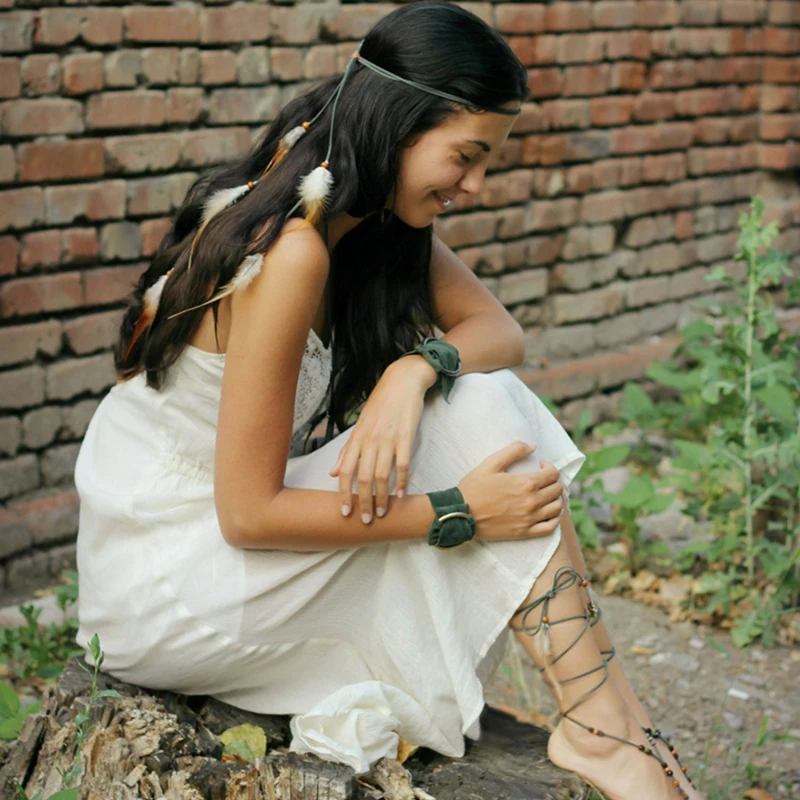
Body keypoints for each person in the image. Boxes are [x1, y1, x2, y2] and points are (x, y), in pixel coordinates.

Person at [74, 2, 701, 797]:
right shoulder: (292, 250)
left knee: (475, 396)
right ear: (399, 125)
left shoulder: (360, 215)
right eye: (466, 156)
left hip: (223, 546)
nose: (474, 184)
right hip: (171, 581)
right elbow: (248, 515)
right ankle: (607, 728)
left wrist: (413, 372)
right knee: (483, 417)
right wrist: (458, 511)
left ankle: (606, 723)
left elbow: (497, 332)